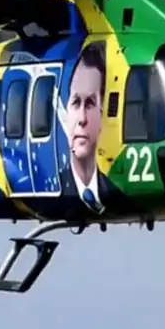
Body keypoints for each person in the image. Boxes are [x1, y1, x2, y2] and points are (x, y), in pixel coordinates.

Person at [61, 41, 113, 214]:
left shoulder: (114, 190)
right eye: (76, 102)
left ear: (103, 112)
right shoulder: (56, 186)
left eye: (90, 104)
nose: (81, 119)